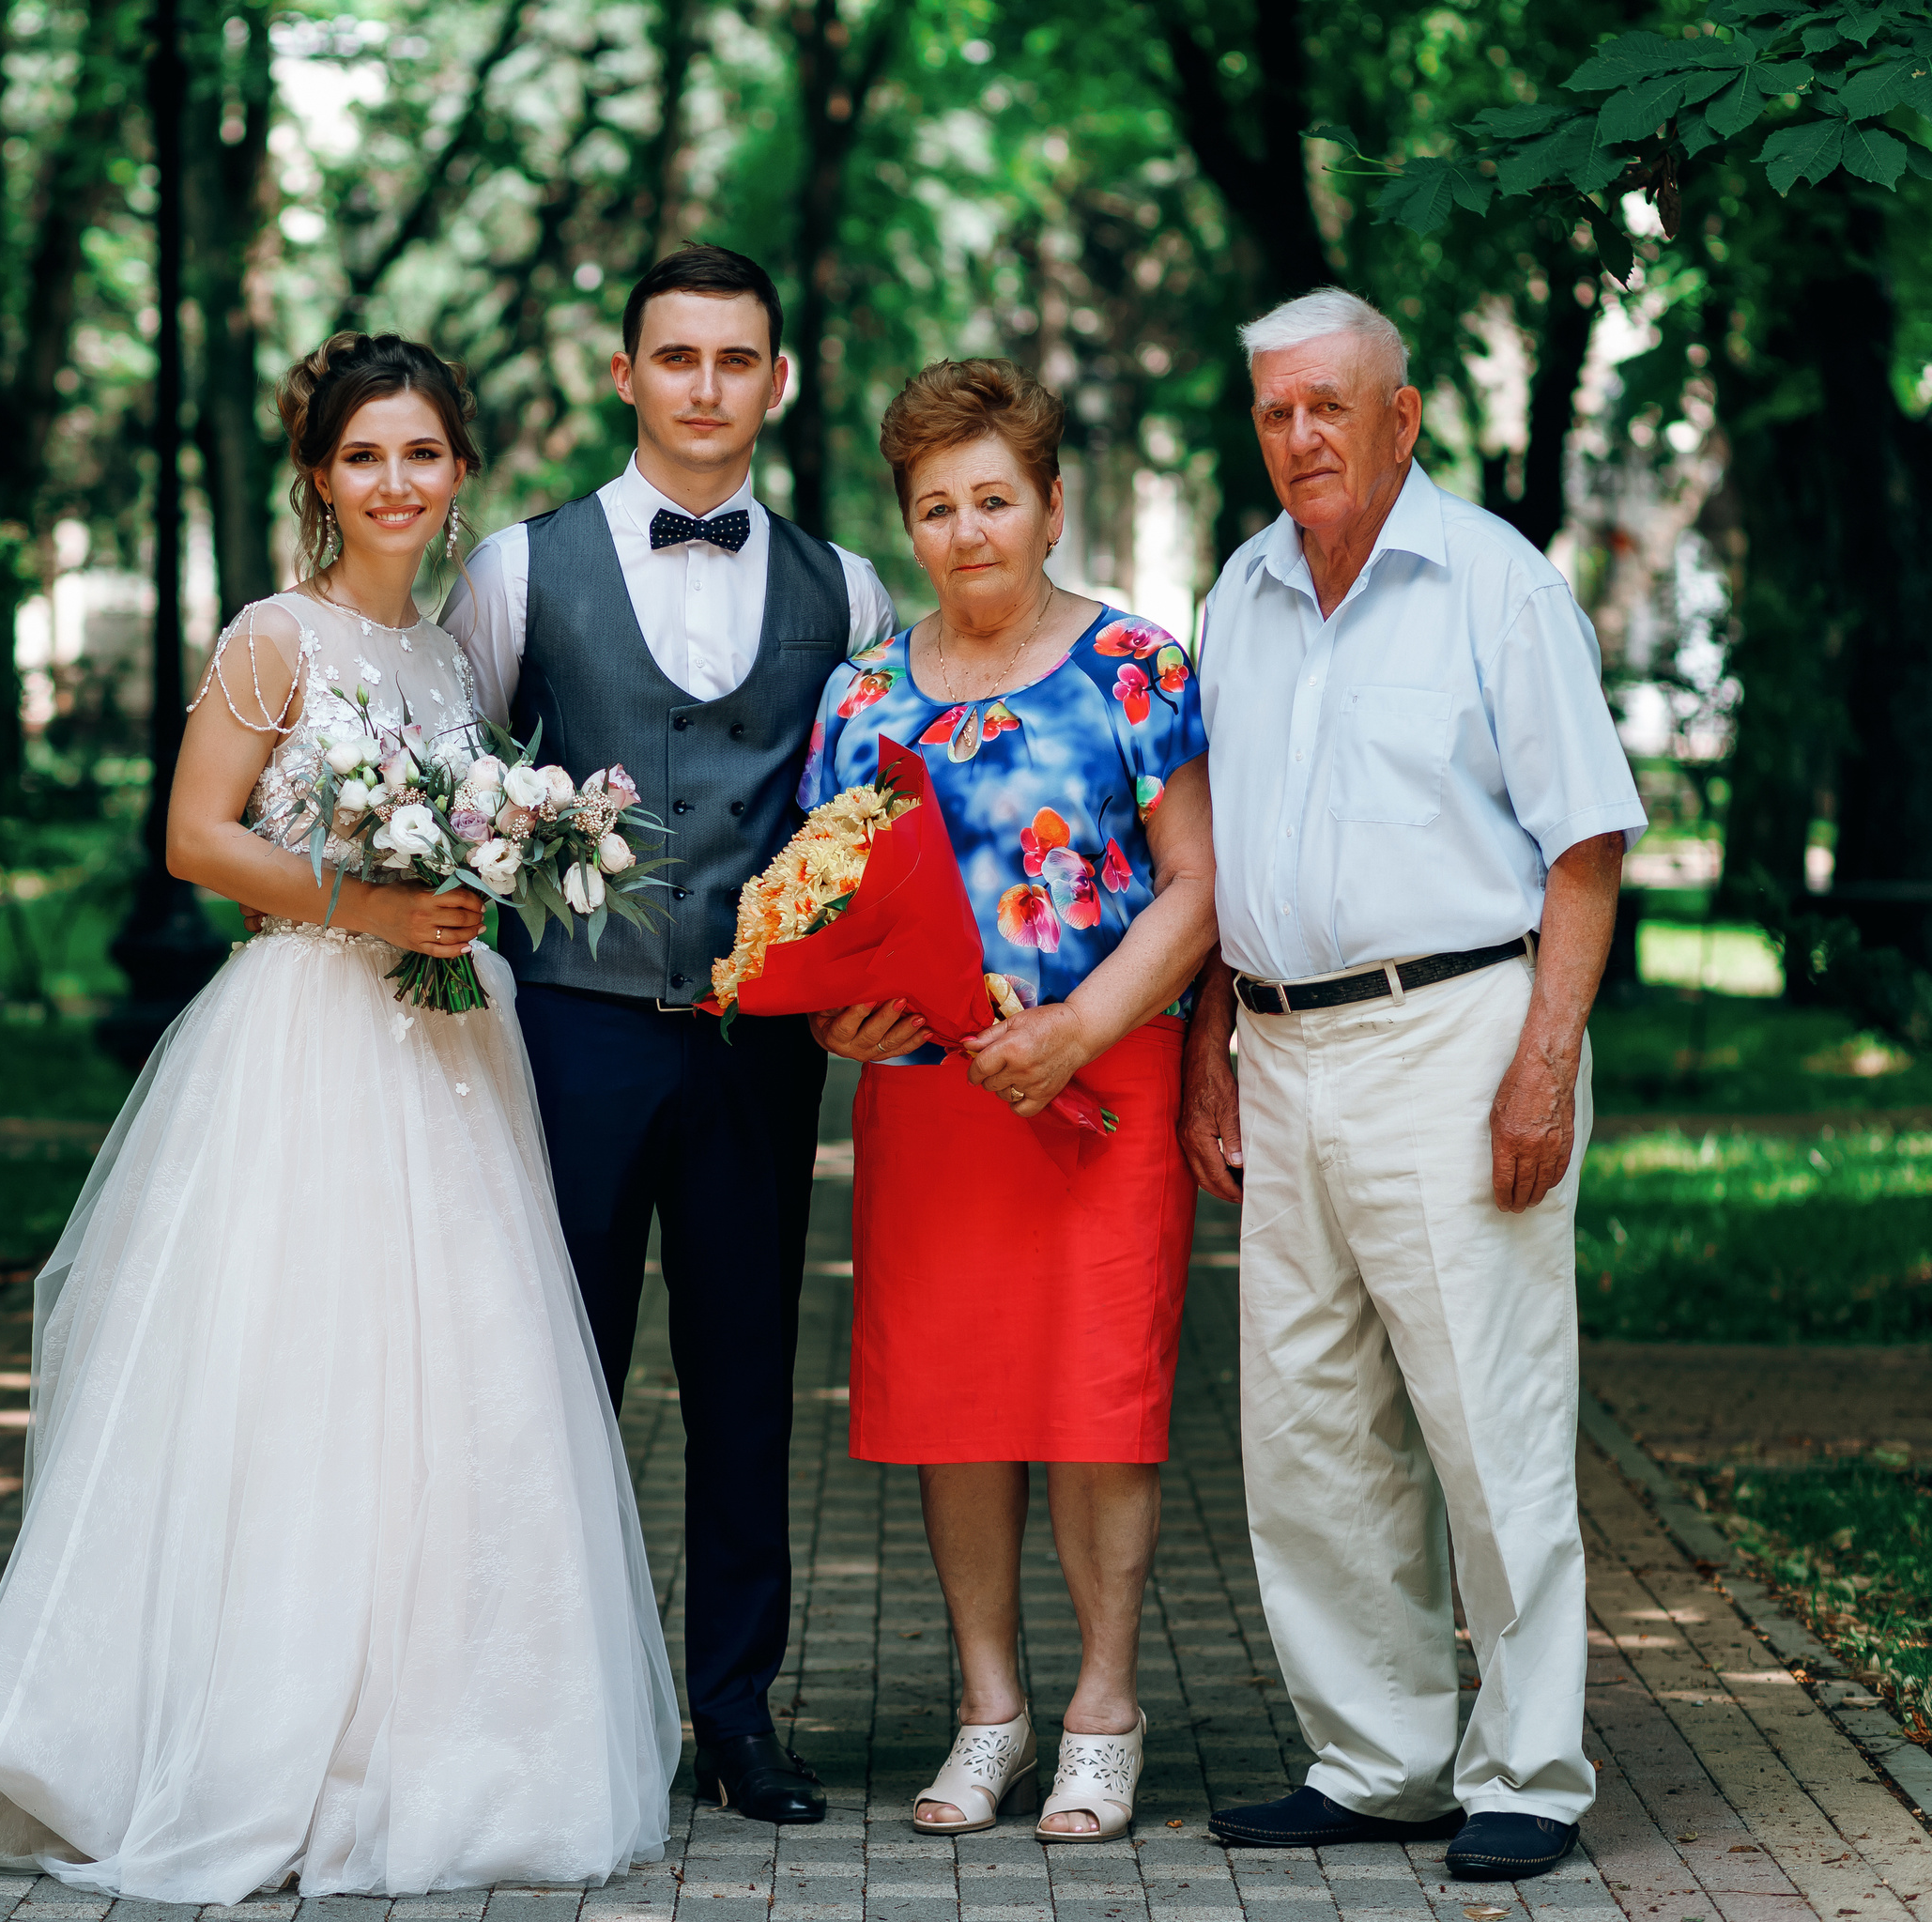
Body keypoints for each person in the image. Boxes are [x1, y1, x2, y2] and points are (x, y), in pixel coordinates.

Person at [0, 333, 678, 1899]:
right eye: (363, 458)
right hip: (306, 1043)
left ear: (461, 470)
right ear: (320, 478)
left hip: (455, 1061)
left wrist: (481, 879)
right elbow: (196, 840)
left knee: (463, 1389)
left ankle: (443, 1744)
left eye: (421, 454)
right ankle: (243, 1737)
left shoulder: (458, 664)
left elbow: (466, 846)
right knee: (297, 1386)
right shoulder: (277, 637)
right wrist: (368, 902)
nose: (394, 483)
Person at [1177, 288, 1647, 1882]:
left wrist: (1544, 1067)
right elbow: (1219, 859)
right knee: (1308, 1425)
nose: (1300, 437)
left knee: (1489, 1418)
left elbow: (1587, 846)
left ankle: (1529, 1770)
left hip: (1458, 1037)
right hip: (1279, 1043)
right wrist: (1210, 1061)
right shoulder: (1235, 593)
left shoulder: (1495, 586)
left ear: (1404, 411)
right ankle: (1375, 1758)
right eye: (1275, 412)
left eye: (1329, 405)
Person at [439, 243, 895, 1826]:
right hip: (570, 1031)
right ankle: (532, 1707)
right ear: (624, 375)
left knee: (747, 1375)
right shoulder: (516, 568)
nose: (707, 385)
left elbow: (876, 821)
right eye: (677, 356)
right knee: (552, 1370)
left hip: (762, 1048)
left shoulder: (852, 589)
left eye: (737, 359)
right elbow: (461, 784)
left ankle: (736, 1718)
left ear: (780, 382)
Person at [805, 359, 1217, 1843]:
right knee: (955, 1404)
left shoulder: (1138, 669)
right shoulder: (858, 695)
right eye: (937, 507)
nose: (969, 530)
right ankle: (990, 1709)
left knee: (1101, 1402)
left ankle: (1106, 1708)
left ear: (1052, 505)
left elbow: (1195, 884)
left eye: (995, 499)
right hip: (930, 1099)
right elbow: (828, 900)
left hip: (1101, 1081)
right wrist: (838, 1013)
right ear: (908, 524)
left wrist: (1085, 1022)